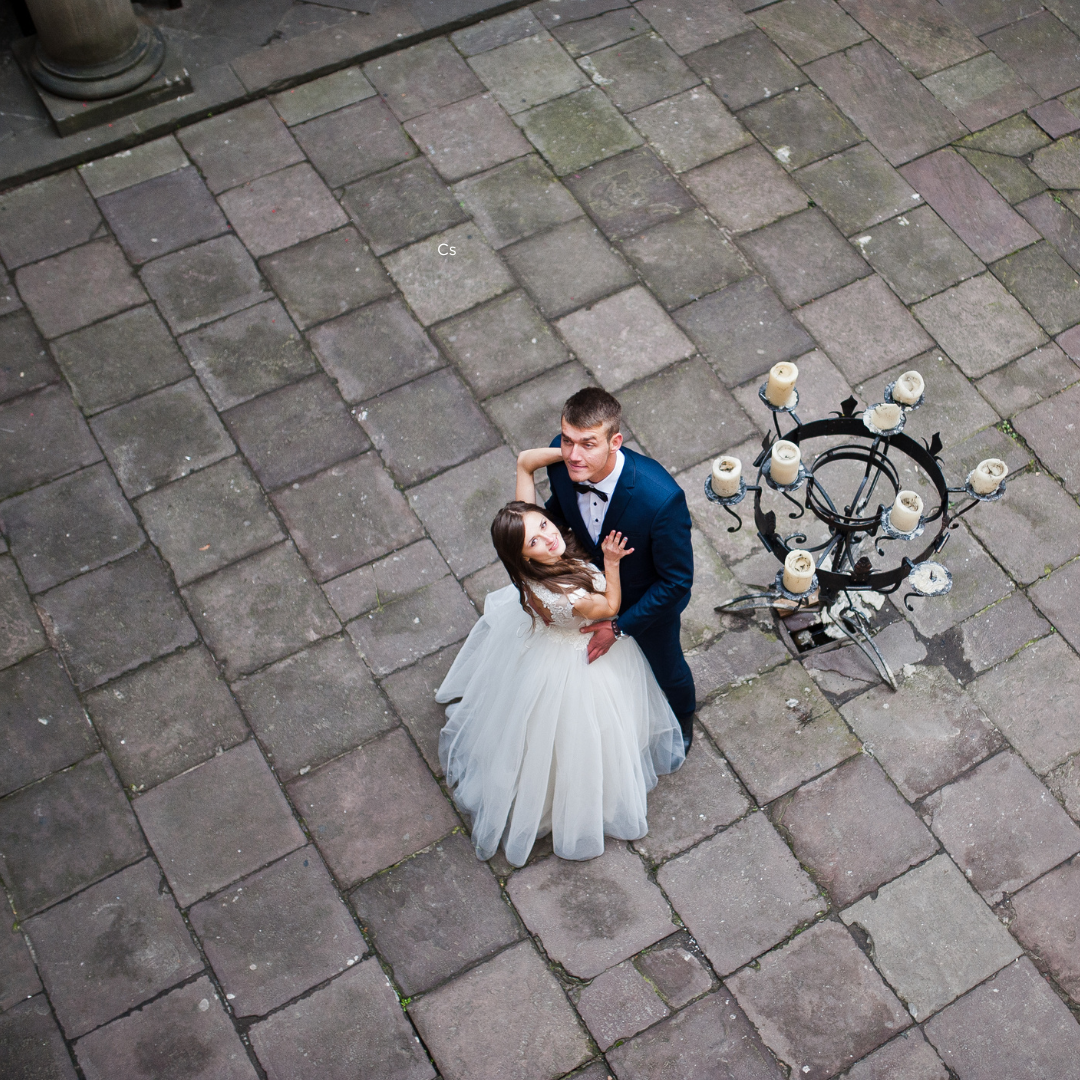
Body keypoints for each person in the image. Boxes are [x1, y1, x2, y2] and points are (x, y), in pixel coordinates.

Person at [435, 446, 685, 867]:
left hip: (541, 650)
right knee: (586, 734)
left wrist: (581, 450)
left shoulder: (524, 566)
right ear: (523, 553)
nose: (549, 535)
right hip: (580, 658)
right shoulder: (568, 594)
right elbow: (608, 609)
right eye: (536, 540)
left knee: (533, 729)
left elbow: (525, 461)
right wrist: (610, 563)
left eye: (545, 524)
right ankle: (579, 801)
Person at [545, 387, 698, 752]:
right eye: (567, 440)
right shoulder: (560, 461)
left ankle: (683, 723)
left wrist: (619, 626)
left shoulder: (660, 500)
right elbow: (560, 508)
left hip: (645, 603)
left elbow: (677, 581)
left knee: (668, 669)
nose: (573, 455)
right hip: (590, 589)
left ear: (615, 441)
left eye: (587, 444)